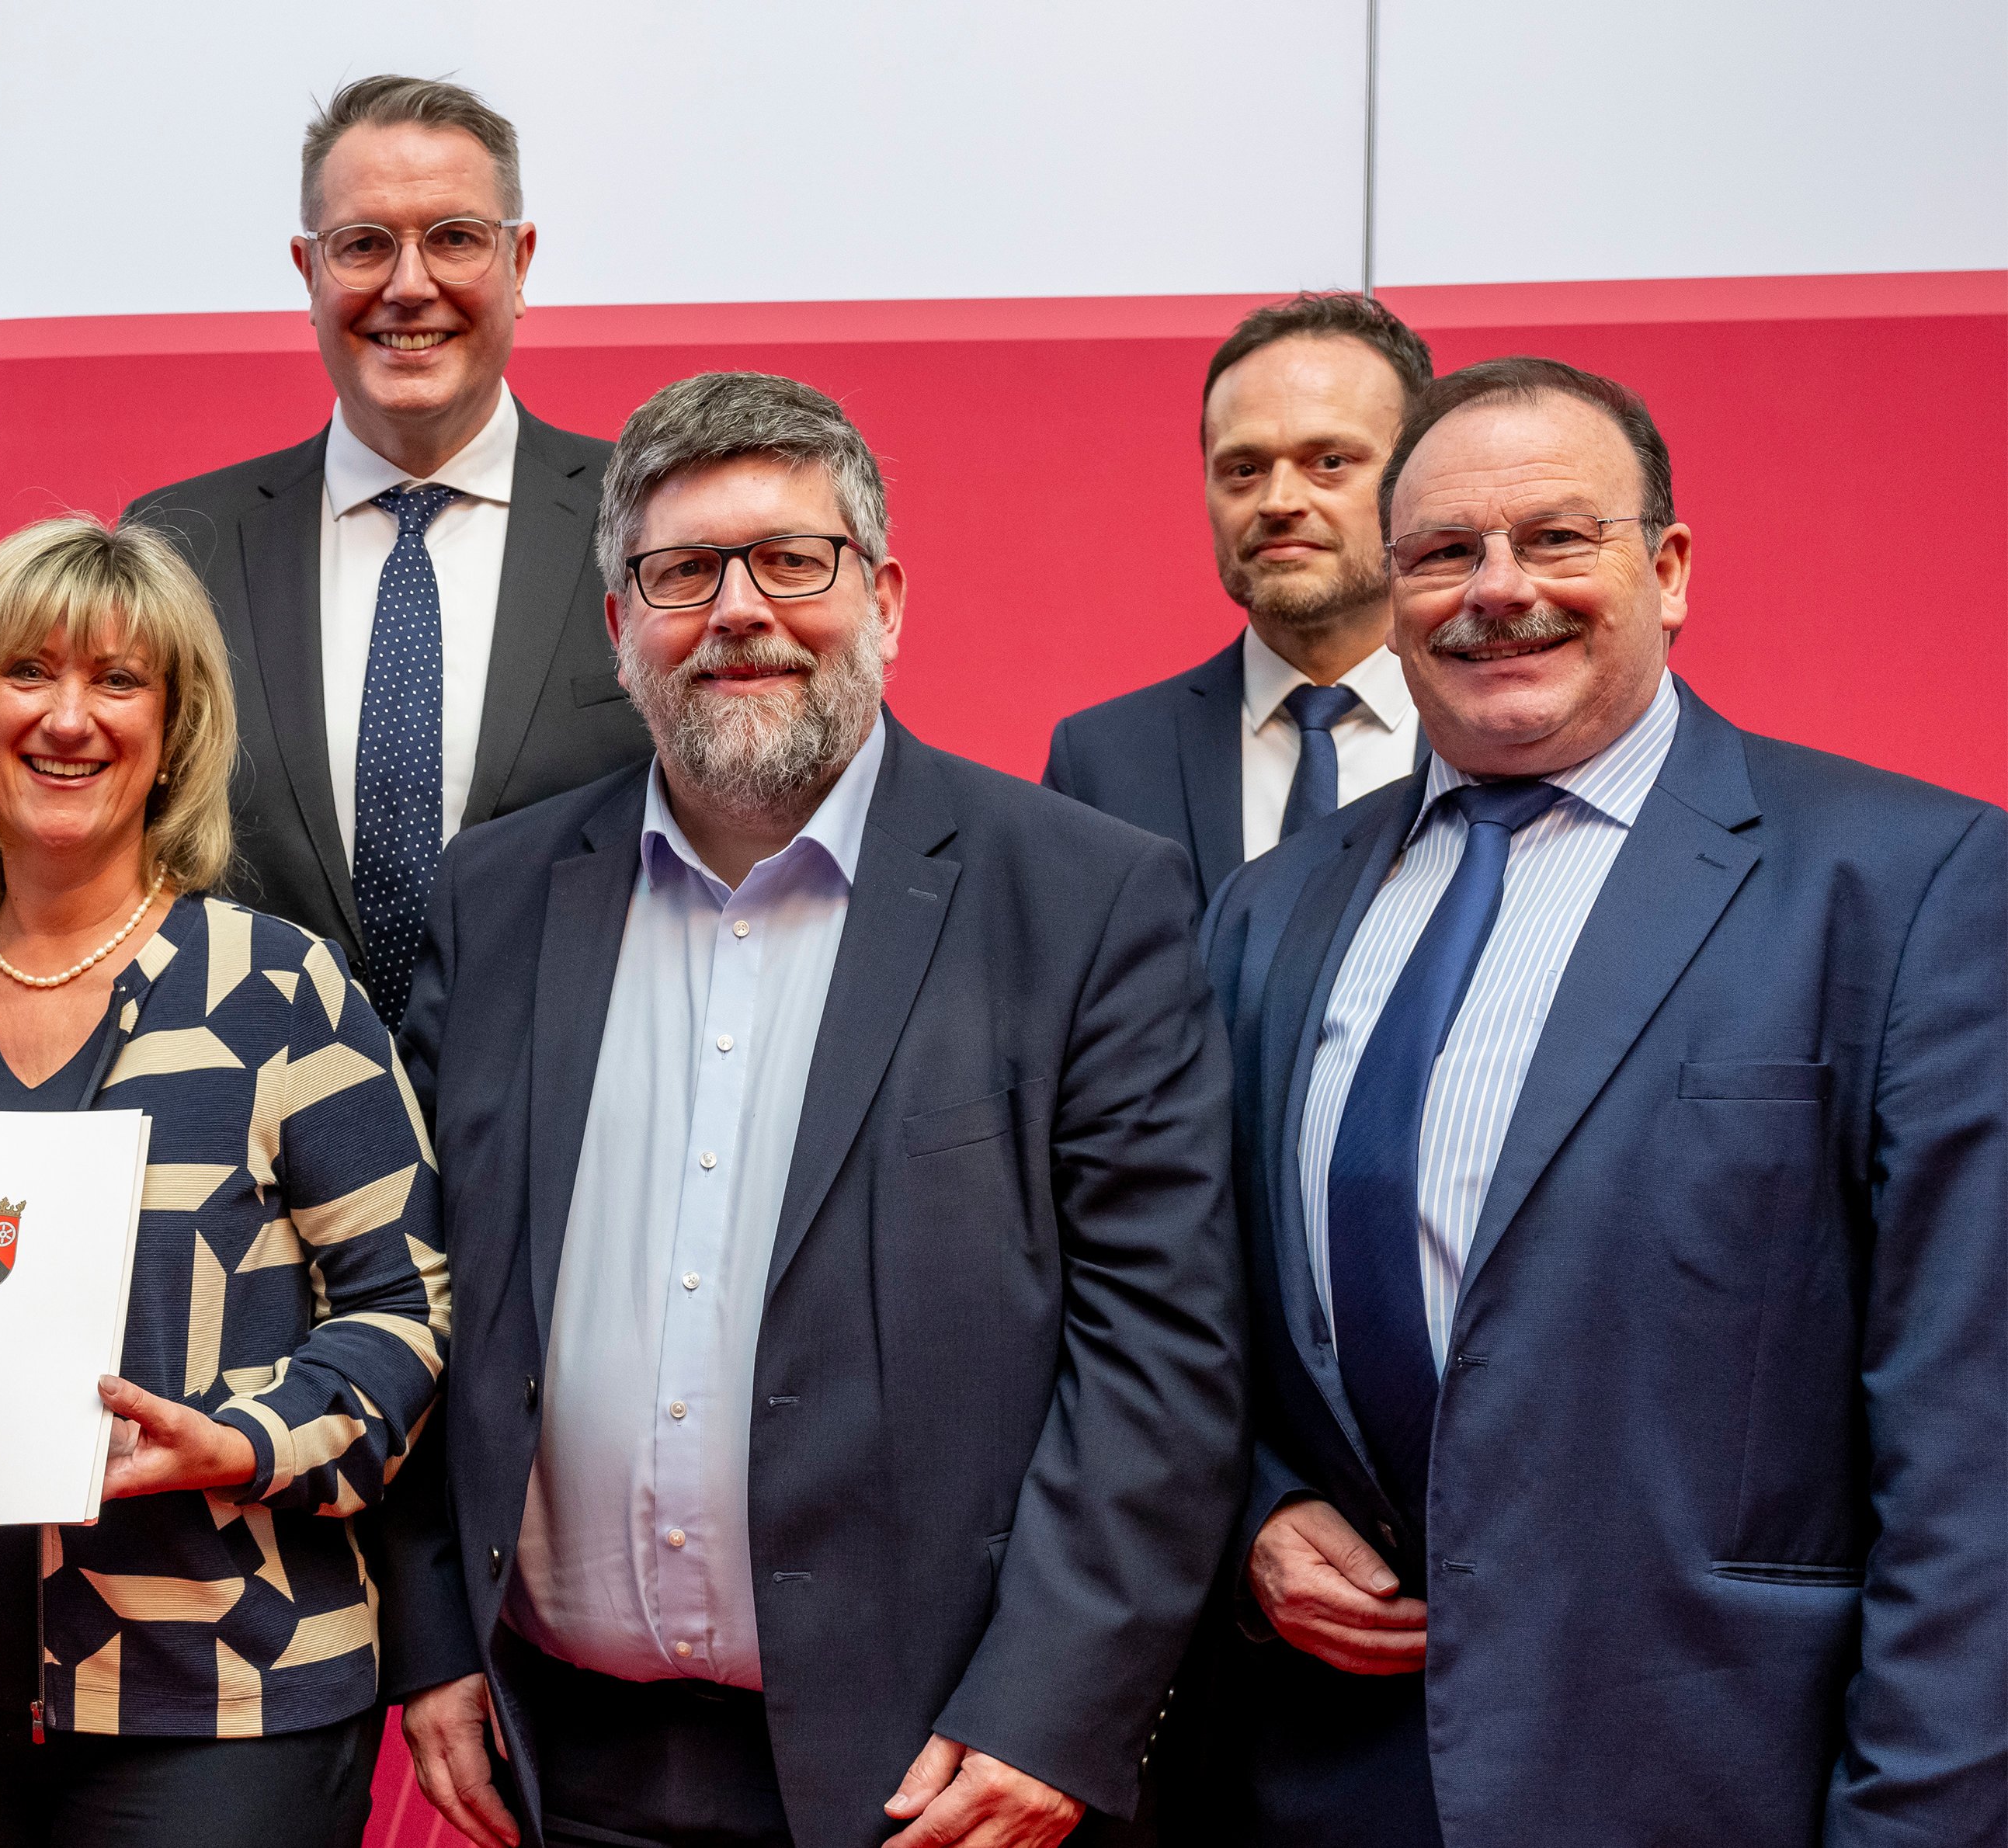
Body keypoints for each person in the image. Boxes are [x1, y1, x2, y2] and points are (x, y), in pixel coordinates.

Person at [378, 373, 1245, 1848]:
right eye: (682, 573)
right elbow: (418, 1290)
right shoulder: (499, 899)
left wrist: (1049, 1703)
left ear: (887, 596)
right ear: (617, 628)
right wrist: (437, 1634)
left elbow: (1161, 1348)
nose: (739, 611)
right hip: (559, 1759)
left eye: (794, 560)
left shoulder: (1086, 899)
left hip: (937, 1775)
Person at [1204, 357, 2008, 1847]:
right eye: (1442, 552)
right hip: (1324, 1780)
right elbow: (1204, 1312)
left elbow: (1974, 1449)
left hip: (1717, 1779)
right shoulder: (1267, 914)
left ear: (1670, 567)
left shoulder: (1910, 887)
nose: (1495, 590)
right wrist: (1250, 1509)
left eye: (1557, 539)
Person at [0, 515, 451, 1848]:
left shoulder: (276, 993)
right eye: (31, 674)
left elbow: (407, 1305)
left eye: (118, 681)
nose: (69, 719)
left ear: (174, 732)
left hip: (217, 1698)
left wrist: (242, 1441)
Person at [128, 74, 645, 1034]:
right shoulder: (179, 547)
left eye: (454, 238)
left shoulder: (652, 526)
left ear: (520, 262)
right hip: (264, 1154)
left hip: (572, 1143)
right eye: (363, 245)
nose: (409, 286)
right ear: (307, 272)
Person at [1046, 294, 1435, 904]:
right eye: (1244, 469)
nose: (1278, 501)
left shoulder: (1507, 729)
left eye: (1329, 461)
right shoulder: (1103, 761)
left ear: (1418, 478)